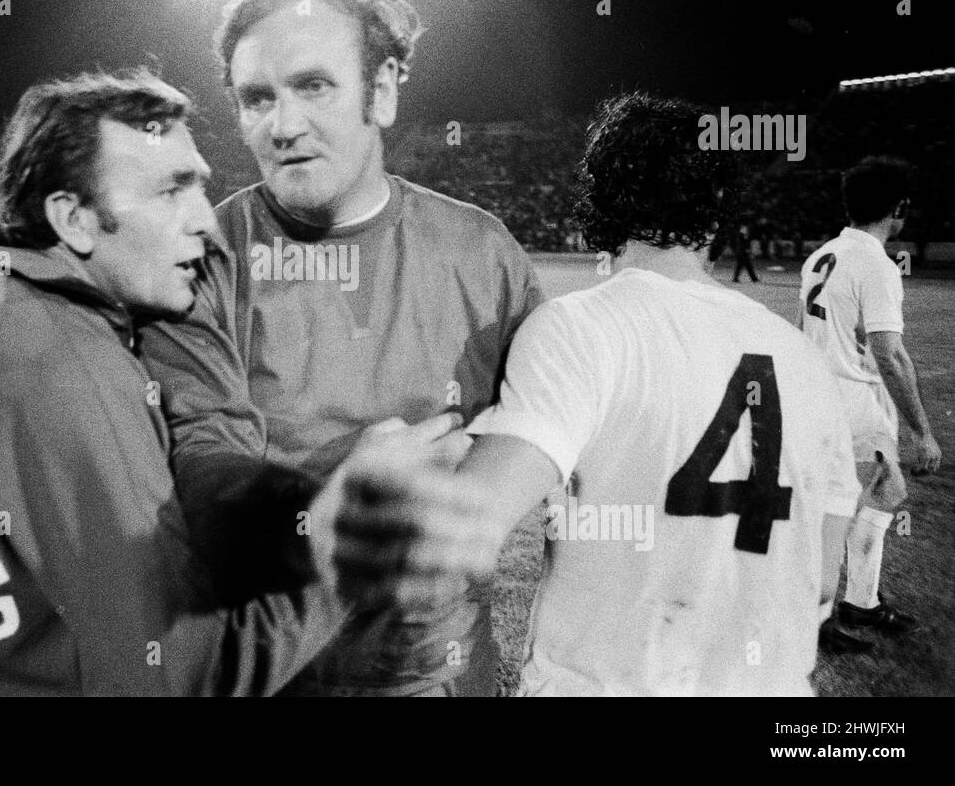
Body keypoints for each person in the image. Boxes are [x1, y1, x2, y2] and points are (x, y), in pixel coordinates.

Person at [0, 69, 468, 695]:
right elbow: (186, 676)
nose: (205, 221)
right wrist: (348, 544)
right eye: (171, 192)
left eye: (200, 186)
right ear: (75, 220)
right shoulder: (69, 371)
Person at [333, 92, 862, 695]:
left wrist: (365, 485)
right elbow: (820, 582)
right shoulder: (804, 360)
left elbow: (455, 538)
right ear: (718, 209)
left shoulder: (580, 327)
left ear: (603, 198)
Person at [140, 0, 544, 696]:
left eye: (314, 86)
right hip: (276, 672)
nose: (283, 125)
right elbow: (200, 478)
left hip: (440, 678)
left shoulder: (483, 254)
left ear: (382, 90)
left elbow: (560, 435)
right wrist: (328, 497)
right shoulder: (201, 258)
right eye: (257, 98)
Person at [799, 156, 942, 653]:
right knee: (832, 516)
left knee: (888, 491)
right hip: (851, 403)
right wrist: (922, 431)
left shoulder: (821, 255)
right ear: (898, 208)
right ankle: (813, 622)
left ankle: (860, 601)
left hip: (825, 396)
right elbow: (889, 352)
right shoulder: (875, 264)